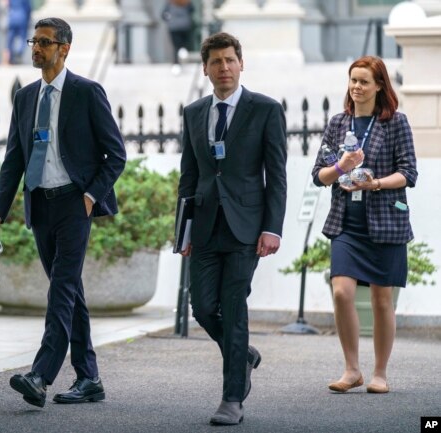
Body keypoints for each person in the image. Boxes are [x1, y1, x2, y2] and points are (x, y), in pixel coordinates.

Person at [0, 17, 126, 408]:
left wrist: (91, 196)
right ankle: (89, 377)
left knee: (61, 288)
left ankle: (40, 375)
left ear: (64, 49)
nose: (36, 48)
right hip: (39, 205)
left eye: (45, 42)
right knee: (71, 292)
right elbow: (13, 160)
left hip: (73, 204)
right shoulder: (25, 97)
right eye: (34, 41)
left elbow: (116, 155)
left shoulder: (86, 92)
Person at [177, 32, 287, 425]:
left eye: (230, 60)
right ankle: (243, 355)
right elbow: (187, 177)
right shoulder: (193, 112)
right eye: (216, 62)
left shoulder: (266, 110)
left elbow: (276, 176)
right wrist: (183, 233)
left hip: (247, 227)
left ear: (241, 64)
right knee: (204, 308)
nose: (224, 68)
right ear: (205, 69)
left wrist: (272, 228)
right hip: (205, 226)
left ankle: (231, 400)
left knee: (234, 307)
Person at [312, 56, 417, 395]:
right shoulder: (337, 123)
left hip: (385, 221)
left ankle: (380, 373)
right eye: (353, 80)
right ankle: (351, 369)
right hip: (346, 223)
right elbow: (320, 176)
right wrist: (341, 167)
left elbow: (408, 173)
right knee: (341, 292)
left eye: (363, 81)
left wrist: (374, 183)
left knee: (382, 299)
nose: (356, 87)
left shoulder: (395, 123)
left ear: (379, 86)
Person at [161, 0, 194, 73]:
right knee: (184, 43)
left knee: (176, 46)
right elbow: (192, 10)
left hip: (173, 26)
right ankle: (183, 51)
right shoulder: (187, 2)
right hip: (185, 25)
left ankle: (176, 65)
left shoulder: (170, 2)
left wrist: (169, 20)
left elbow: (163, 15)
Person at [3, 0, 31, 64]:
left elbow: (7, 5)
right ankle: (19, 54)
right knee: (23, 38)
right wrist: (28, 19)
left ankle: (11, 57)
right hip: (22, 18)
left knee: (10, 39)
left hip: (12, 18)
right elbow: (28, 8)